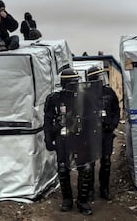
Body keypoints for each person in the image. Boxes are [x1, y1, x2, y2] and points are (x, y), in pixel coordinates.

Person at [43, 68, 94, 215]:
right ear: (64, 83)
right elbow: (47, 120)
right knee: (63, 169)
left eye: (76, 82)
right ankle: (67, 200)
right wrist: (48, 138)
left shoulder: (84, 97)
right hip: (63, 138)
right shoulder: (54, 99)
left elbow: (92, 118)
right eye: (72, 83)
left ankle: (82, 201)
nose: (74, 85)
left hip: (80, 138)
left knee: (85, 169)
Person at [86, 66, 120, 201]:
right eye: (97, 77)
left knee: (106, 162)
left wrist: (112, 125)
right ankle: (89, 191)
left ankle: (104, 189)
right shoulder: (85, 94)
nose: (100, 79)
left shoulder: (109, 92)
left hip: (106, 133)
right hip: (91, 134)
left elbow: (116, 110)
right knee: (90, 163)